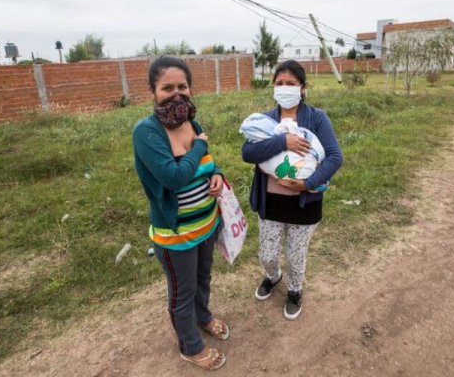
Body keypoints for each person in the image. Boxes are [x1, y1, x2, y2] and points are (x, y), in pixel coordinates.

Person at [132, 56, 228, 371]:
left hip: (206, 225)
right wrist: (199, 147)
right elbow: (174, 176)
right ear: (152, 91)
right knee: (182, 292)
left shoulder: (191, 122)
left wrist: (216, 175)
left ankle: (203, 316)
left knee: (203, 278)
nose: (177, 94)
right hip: (176, 236)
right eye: (167, 87)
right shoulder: (147, 132)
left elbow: (208, 165)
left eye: (182, 86)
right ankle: (190, 345)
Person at [242, 60, 343, 320]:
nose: (284, 88)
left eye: (291, 84)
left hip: (304, 203)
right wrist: (282, 141)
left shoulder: (317, 118)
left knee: (296, 256)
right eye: (279, 83)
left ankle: (295, 291)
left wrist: (306, 184)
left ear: (303, 88)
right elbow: (248, 152)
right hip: (271, 202)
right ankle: (273, 277)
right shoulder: (264, 120)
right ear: (273, 87)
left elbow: (334, 157)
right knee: (268, 255)